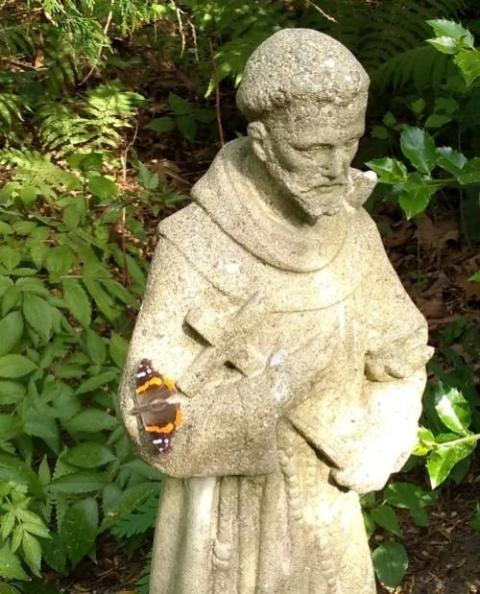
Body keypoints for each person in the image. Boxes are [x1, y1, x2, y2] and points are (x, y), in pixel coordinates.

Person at [119, 28, 432, 594]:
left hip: (327, 512)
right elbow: (150, 417)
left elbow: (401, 352)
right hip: (226, 524)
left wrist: (386, 429)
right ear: (262, 141)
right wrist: (269, 394)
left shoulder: (351, 232)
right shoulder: (198, 245)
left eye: (349, 143)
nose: (337, 169)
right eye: (312, 149)